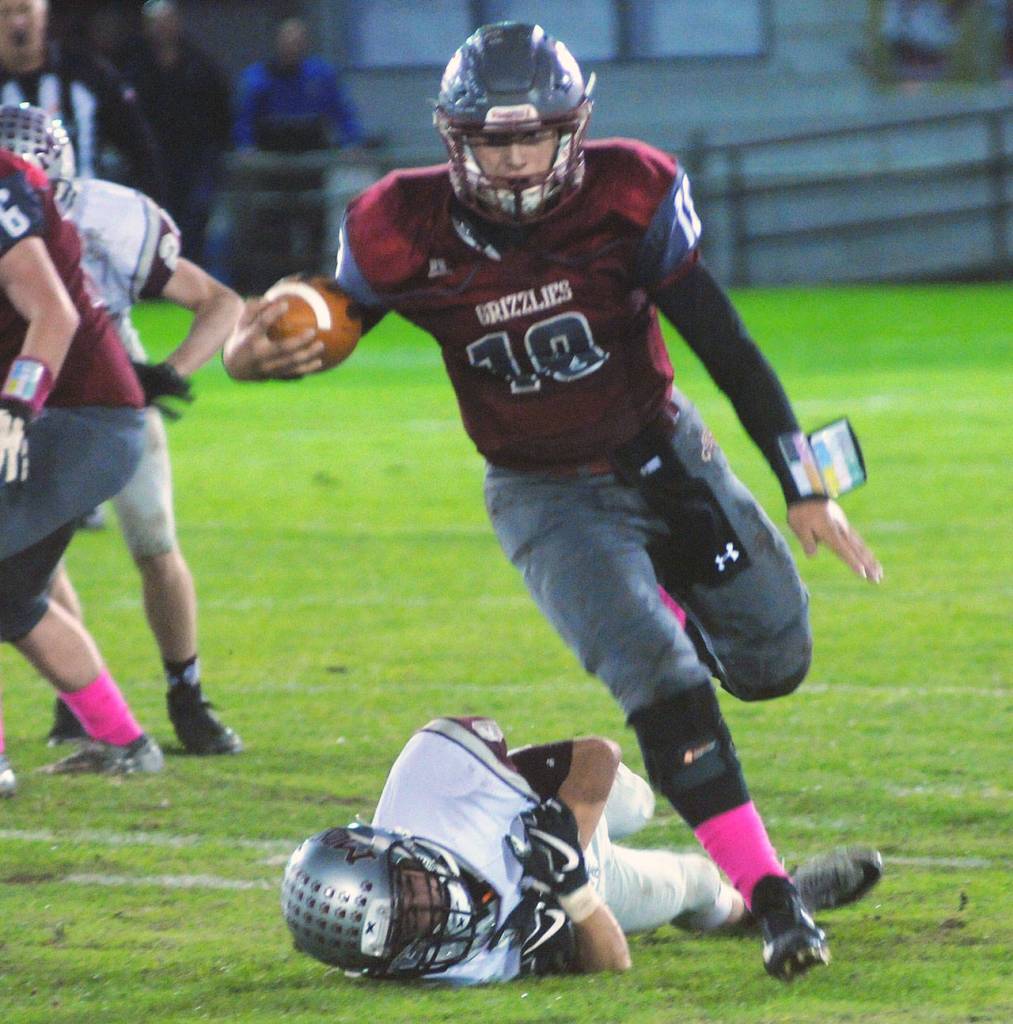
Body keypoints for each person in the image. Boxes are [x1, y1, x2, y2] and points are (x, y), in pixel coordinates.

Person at [228, 22, 884, 980]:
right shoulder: (401, 222)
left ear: (571, 128)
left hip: (663, 450)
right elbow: (329, 312)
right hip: (543, 492)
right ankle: (773, 898)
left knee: (775, 661)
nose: (514, 158)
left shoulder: (628, 192)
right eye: (492, 140)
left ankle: (668, 612)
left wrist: (803, 485)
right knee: (661, 679)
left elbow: (726, 345)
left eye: (532, 135)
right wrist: (254, 351)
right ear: (454, 138)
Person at [281, 716, 883, 982]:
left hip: (561, 812)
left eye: (410, 890)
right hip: (581, 882)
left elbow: (597, 756)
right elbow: (611, 963)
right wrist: (570, 890)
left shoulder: (432, 784)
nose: (430, 909)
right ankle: (768, 904)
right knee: (696, 883)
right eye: (406, 925)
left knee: (638, 801)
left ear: (393, 845)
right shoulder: (454, 968)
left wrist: (563, 831)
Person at [0, 102, 244, 756]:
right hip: (46, 402)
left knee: (153, 547)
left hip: (88, 404)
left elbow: (216, 300)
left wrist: (169, 372)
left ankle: (185, 696)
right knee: (21, 586)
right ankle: (108, 729)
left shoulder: (80, 212)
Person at [0, 115, 164, 797]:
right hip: (69, 413)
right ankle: (125, 742)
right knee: (11, 601)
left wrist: (14, 410)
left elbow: (54, 314)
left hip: (76, 413)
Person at [0, 0, 164, 199]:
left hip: (85, 209)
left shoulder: (86, 72)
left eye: (24, 9)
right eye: (4, 13)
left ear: (43, 14)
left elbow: (140, 149)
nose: (17, 22)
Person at [125, 1, 232, 263]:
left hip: (194, 161)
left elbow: (221, 111)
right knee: (155, 226)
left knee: (194, 224)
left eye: (167, 21)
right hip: (153, 162)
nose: (162, 28)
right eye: (155, 23)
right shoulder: (136, 68)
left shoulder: (200, 65)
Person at [232, 16, 363, 153]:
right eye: (287, 39)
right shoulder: (256, 78)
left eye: (298, 41)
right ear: (277, 41)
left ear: (306, 43)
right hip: (269, 153)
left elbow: (343, 112)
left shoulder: (322, 75)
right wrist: (245, 147)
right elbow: (243, 120)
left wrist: (352, 142)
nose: (292, 46)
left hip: (314, 151)